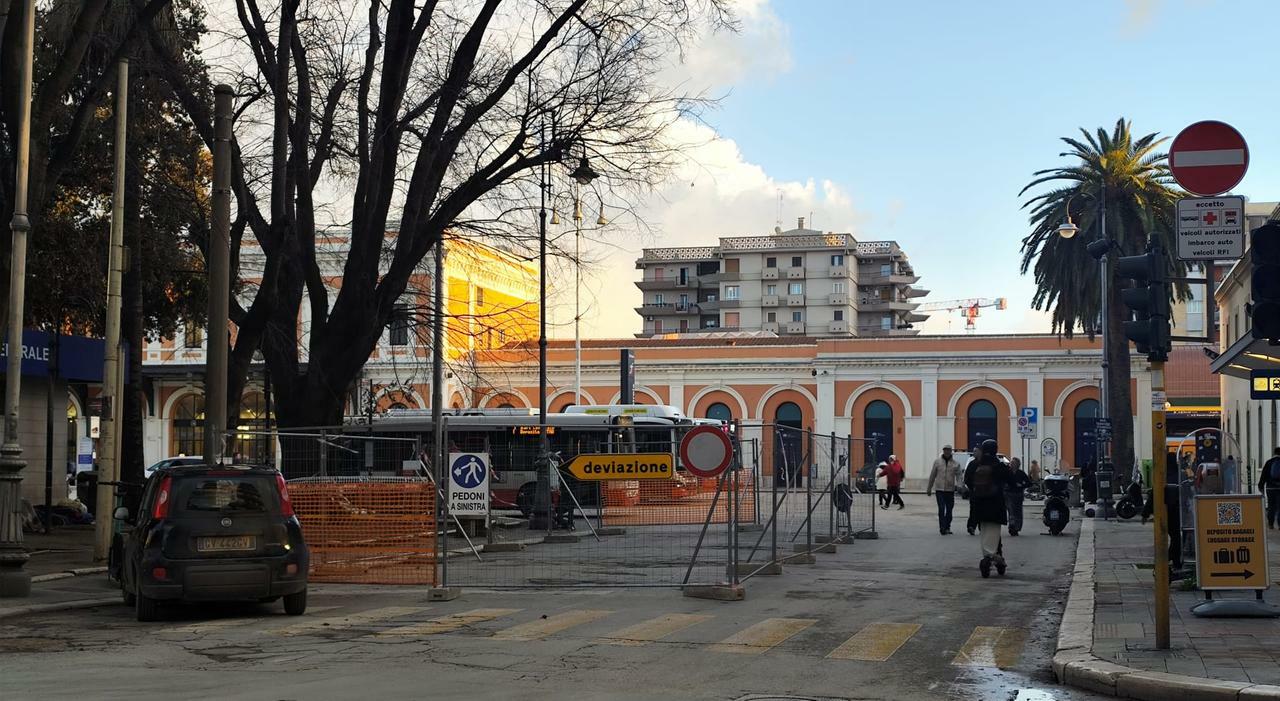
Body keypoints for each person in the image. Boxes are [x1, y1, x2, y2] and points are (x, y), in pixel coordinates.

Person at [965, 438, 1012, 577]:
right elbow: (1010, 479)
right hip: (996, 505)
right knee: (995, 534)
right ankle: (996, 558)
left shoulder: (974, 464)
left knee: (985, 532)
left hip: (979, 505)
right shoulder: (999, 465)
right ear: (995, 450)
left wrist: (976, 491)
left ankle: (989, 555)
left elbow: (967, 480)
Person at [926, 445, 963, 534]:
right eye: (945, 450)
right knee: (941, 508)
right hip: (940, 489)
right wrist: (929, 488)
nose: (947, 452)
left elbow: (959, 476)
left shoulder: (955, 463)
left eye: (948, 450)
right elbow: (932, 475)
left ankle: (947, 527)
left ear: (951, 451)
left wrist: (959, 485)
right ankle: (942, 528)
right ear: (943, 451)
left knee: (949, 509)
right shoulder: (937, 462)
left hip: (950, 490)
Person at [1005, 457, 1031, 536]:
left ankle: (1017, 527)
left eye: (1014, 463)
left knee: (1018, 512)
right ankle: (1012, 526)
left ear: (1018, 464)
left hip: (1018, 494)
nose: (1012, 464)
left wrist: (1022, 485)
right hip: (1009, 494)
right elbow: (1002, 480)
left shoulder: (1021, 473)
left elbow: (1029, 483)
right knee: (1011, 510)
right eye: (1011, 463)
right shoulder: (1007, 472)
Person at [1260, 448, 1280, 529]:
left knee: (1271, 506)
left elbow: (1263, 475)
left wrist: (1261, 486)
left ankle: (1271, 524)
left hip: (1270, 488)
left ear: (1274, 453)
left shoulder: (1269, 462)